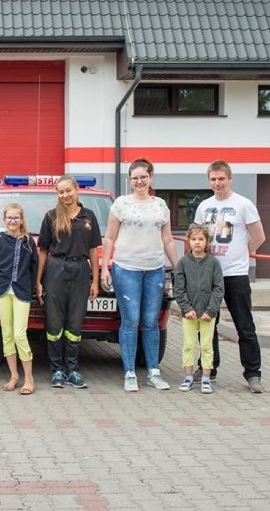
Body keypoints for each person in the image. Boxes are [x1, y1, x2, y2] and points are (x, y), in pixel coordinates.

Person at [101, 158, 179, 392]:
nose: (139, 181)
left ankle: (153, 371)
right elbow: (110, 238)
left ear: (150, 178)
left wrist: (179, 267)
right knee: (130, 321)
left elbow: (167, 239)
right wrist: (105, 267)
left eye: (143, 177)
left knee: (151, 322)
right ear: (129, 180)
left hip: (154, 270)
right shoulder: (121, 205)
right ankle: (130, 372)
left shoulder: (160, 206)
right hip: (127, 269)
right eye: (135, 178)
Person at [195, 160, 267, 394]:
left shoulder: (243, 204)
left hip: (235, 274)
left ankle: (253, 373)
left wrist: (240, 255)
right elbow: (196, 236)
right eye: (213, 179)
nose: (217, 183)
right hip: (209, 275)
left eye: (221, 179)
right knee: (207, 326)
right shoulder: (204, 206)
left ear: (229, 179)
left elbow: (258, 237)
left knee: (244, 326)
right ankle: (208, 369)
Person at [36, 175, 102, 390]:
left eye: (68, 191)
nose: (65, 195)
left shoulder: (88, 216)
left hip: (81, 270)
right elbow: (43, 250)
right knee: (54, 322)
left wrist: (95, 280)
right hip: (56, 269)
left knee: (75, 323)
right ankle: (57, 370)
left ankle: (72, 369)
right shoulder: (51, 216)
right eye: (60, 192)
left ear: (76, 190)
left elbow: (93, 250)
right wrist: (39, 280)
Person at [0, 203, 39, 395]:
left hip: (22, 291)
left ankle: (29, 378)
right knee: (7, 334)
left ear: (21, 220)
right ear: (4, 220)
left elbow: (34, 266)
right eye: (9, 218)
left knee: (20, 334)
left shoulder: (29, 242)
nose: (12, 221)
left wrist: (36, 286)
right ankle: (14, 376)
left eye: (16, 218)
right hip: (3, 291)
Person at [174, 223, 224, 394]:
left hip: (207, 314)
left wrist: (211, 310)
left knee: (206, 346)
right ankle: (188, 377)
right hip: (189, 314)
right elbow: (178, 288)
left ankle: (206, 378)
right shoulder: (182, 263)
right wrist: (186, 308)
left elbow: (218, 288)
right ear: (188, 241)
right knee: (188, 345)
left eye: (201, 239)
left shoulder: (214, 263)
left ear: (207, 241)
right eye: (193, 239)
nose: (197, 242)